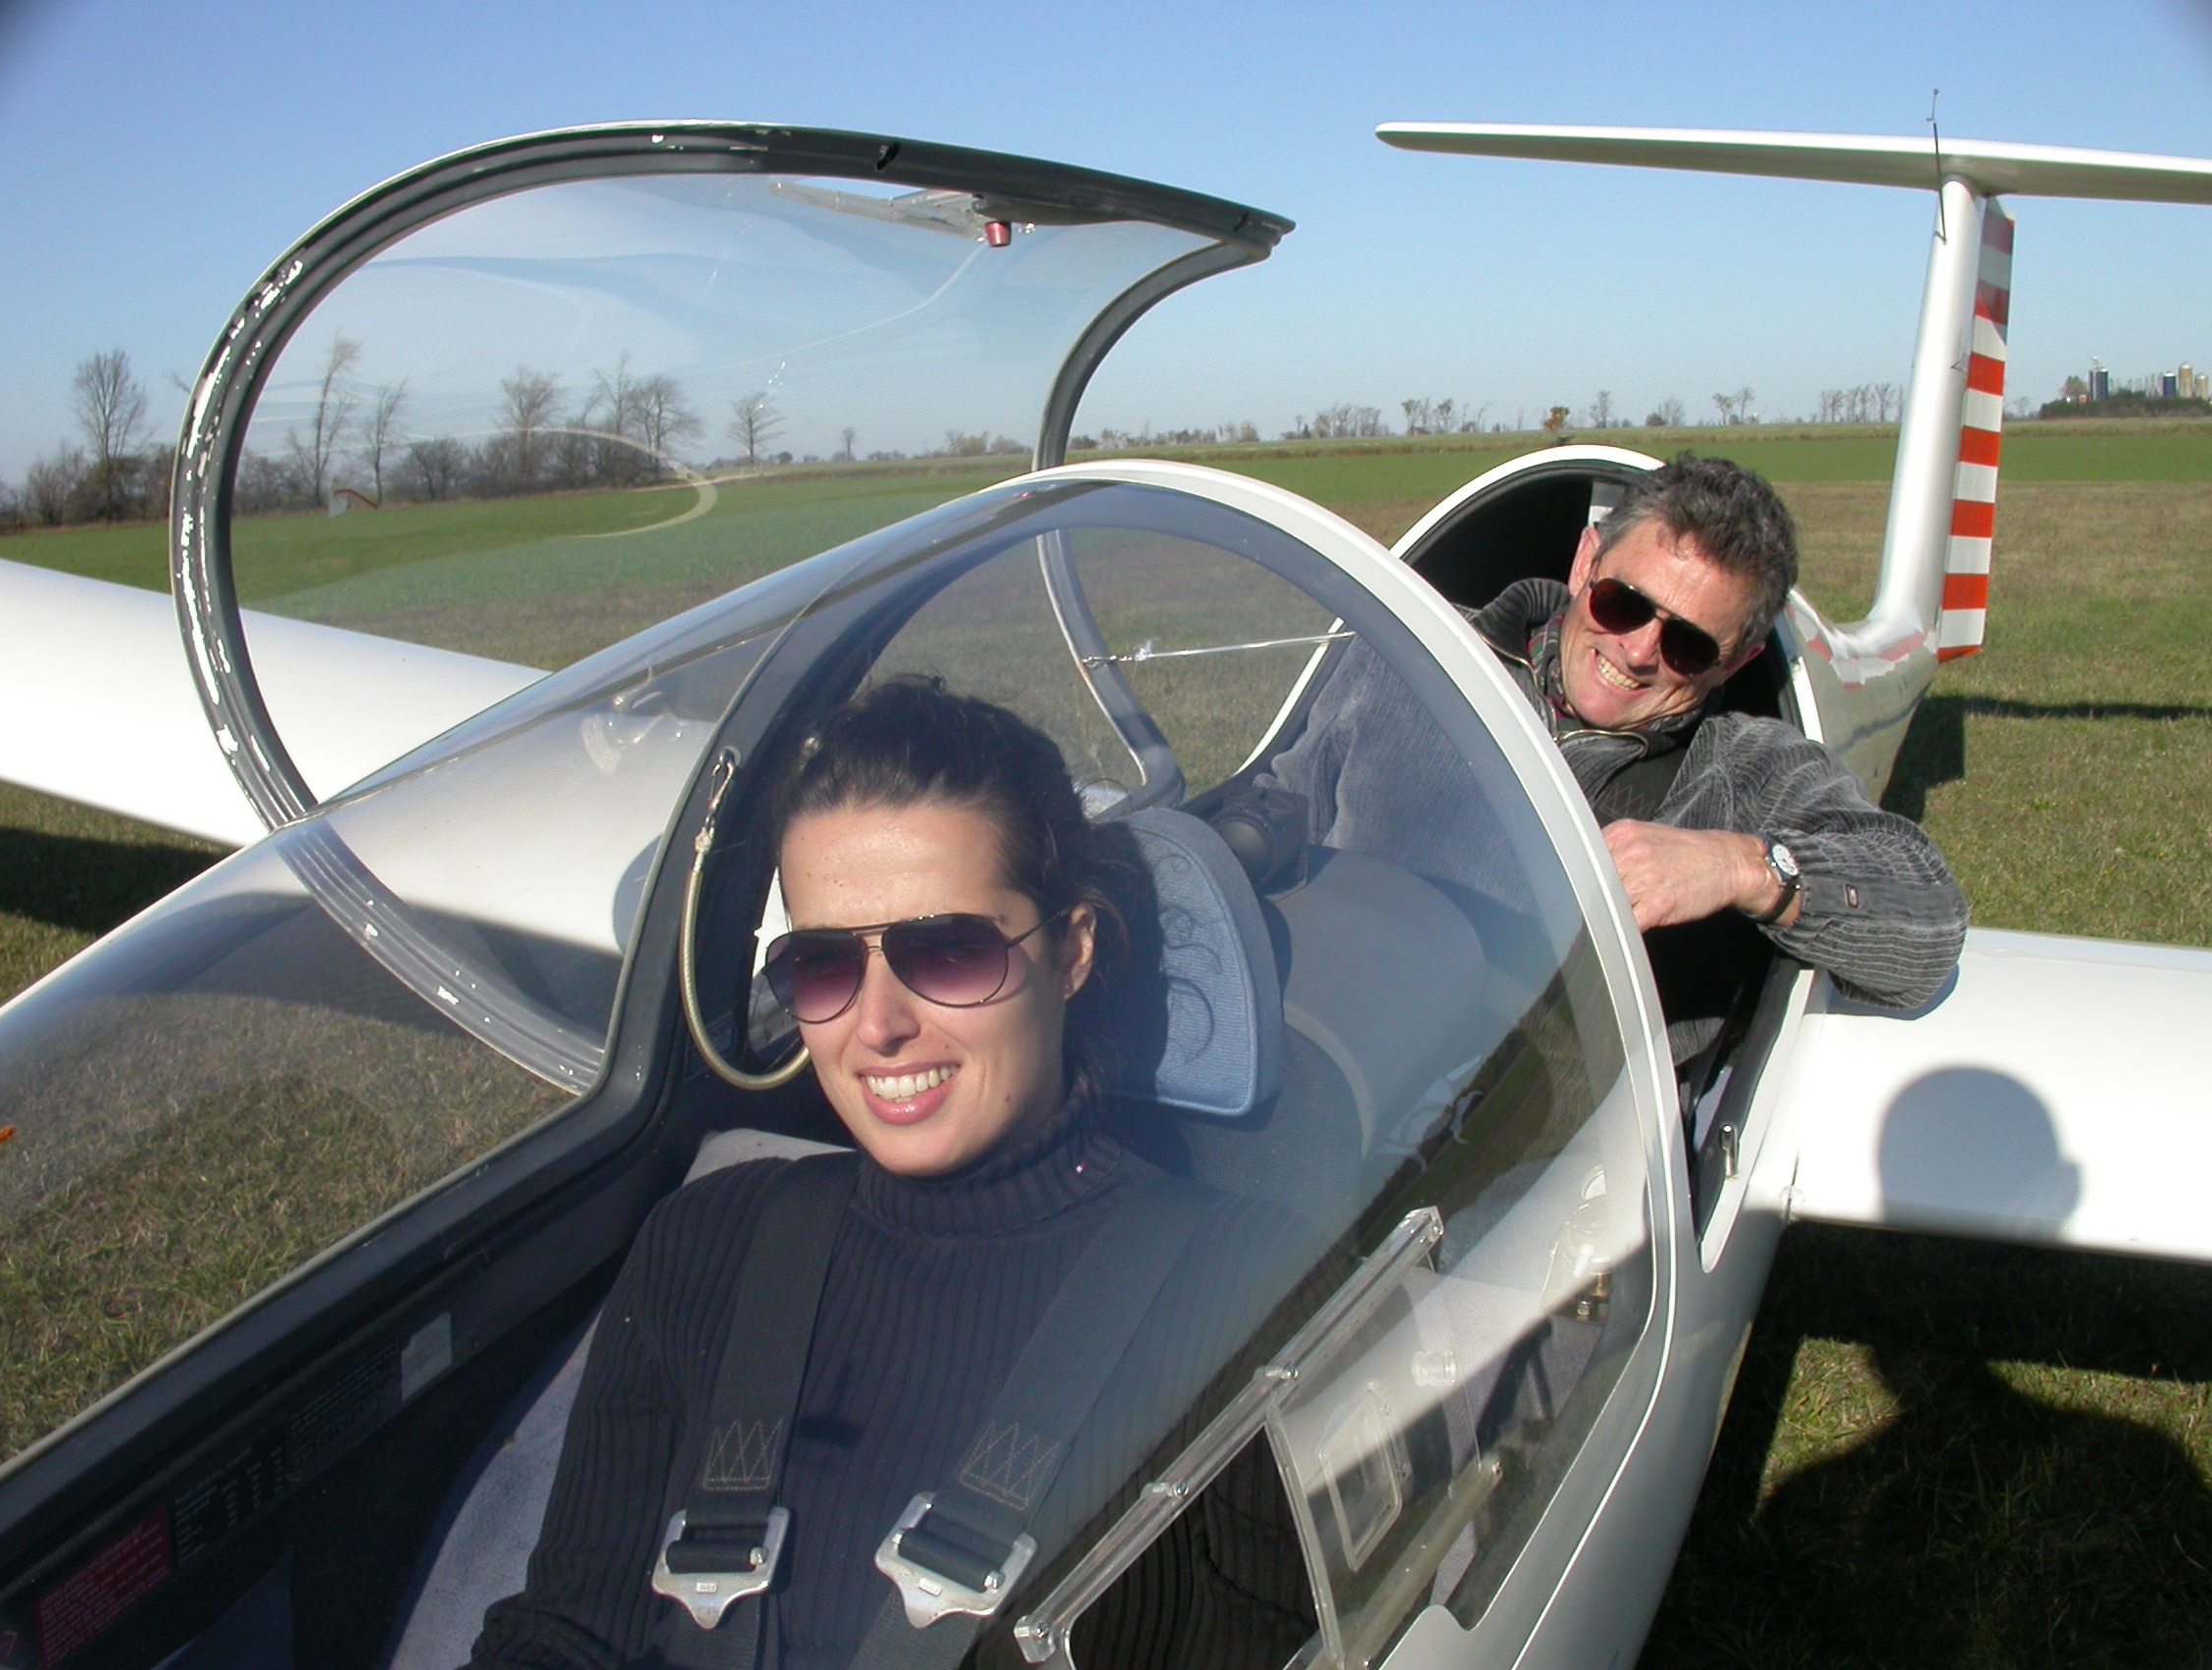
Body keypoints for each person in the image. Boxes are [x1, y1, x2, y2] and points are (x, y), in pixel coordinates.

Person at [466, 677, 1314, 1670]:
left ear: (1072, 952)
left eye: (946, 953)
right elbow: (569, 1635)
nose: (876, 1026)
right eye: (824, 966)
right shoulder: (705, 1244)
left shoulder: (1248, 1298)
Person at [1264, 454, 1967, 1064]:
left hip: (1548, 1157)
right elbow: (1274, 809)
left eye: (1688, 645)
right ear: (1584, 564)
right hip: (1335, 1059)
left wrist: (1740, 867)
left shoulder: (1746, 770)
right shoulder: (1411, 657)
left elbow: (1930, 927)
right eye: (1623, 603)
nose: (1636, 652)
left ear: (1739, 662)